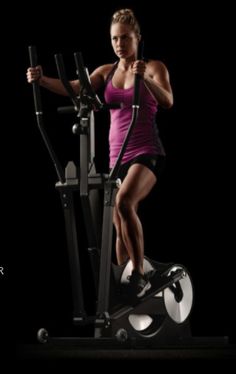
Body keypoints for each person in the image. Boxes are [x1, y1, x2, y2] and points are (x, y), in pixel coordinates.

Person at [26, 8, 173, 298]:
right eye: (114, 39)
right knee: (116, 222)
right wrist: (41, 80)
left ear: (138, 38)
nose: (119, 44)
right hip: (117, 157)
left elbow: (168, 100)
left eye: (125, 38)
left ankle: (139, 274)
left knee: (125, 202)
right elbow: (76, 88)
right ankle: (125, 286)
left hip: (147, 152)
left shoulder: (153, 66)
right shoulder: (106, 72)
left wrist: (147, 80)